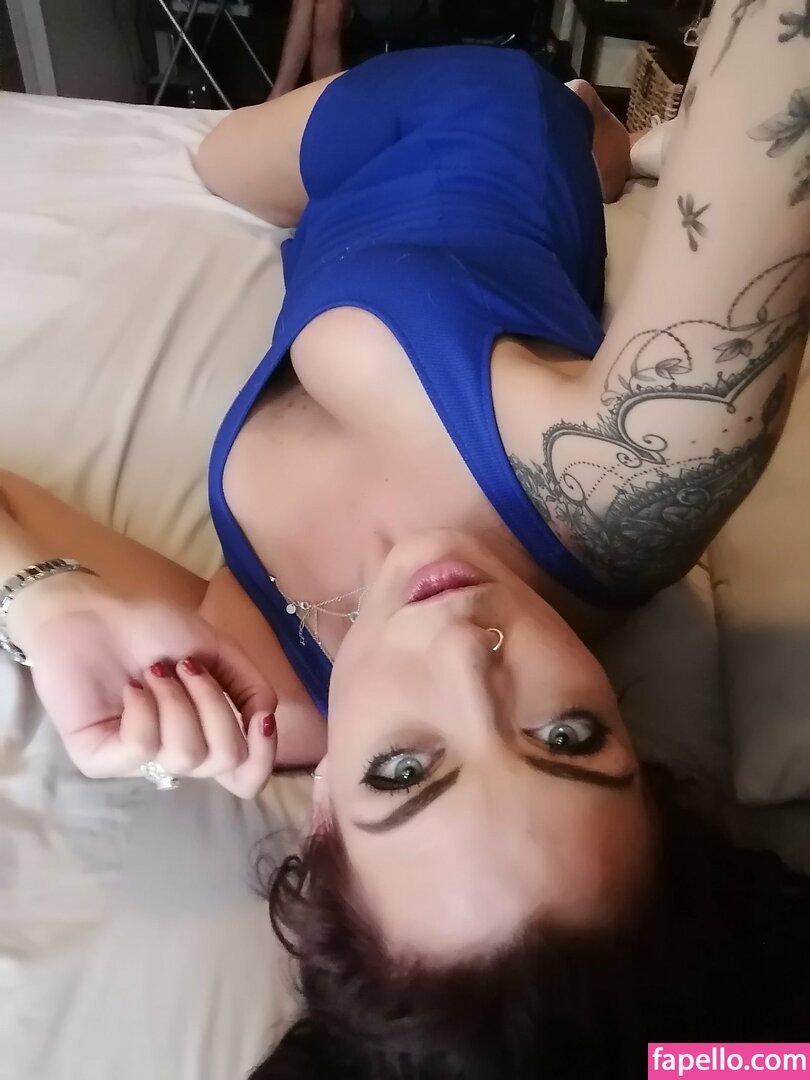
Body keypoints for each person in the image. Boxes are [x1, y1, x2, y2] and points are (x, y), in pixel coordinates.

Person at [0, 0, 807, 1071]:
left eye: (403, 769)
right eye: (571, 738)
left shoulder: (262, 685)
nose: (466, 651)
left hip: (330, 206)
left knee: (214, 159)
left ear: (323, 814)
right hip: (485, 110)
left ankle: (611, 148)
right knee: (256, 147)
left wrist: (46, 601)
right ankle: (592, 136)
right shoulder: (629, 472)